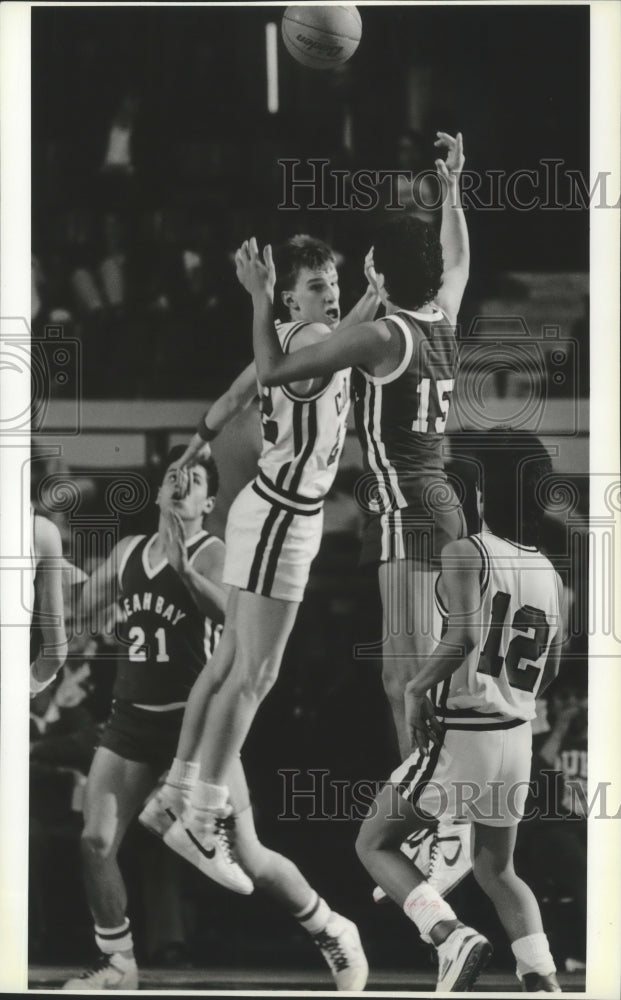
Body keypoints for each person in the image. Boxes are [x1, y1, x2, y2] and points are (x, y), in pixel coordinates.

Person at [237, 132, 472, 895]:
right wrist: (453, 191)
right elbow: (457, 259)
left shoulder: (378, 336)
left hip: (405, 511)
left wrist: (255, 297)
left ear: (376, 273)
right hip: (444, 506)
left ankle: (435, 830)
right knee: (421, 678)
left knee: (403, 681)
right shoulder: (442, 314)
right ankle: (441, 819)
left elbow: (272, 368)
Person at [140, 235, 376, 990]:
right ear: (289, 299)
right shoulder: (304, 341)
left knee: (227, 663)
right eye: (315, 284)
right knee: (256, 674)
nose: (329, 293)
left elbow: (239, 394)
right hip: (284, 516)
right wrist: (258, 297)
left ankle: (180, 788)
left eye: (332, 282)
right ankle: (203, 811)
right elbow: (281, 369)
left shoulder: (302, 334)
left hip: (262, 511)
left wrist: (193, 448)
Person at [355, 429, 564, 993]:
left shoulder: (463, 552)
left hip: (465, 731)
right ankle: (542, 979)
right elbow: (555, 664)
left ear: (477, 492)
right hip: (517, 738)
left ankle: (450, 935)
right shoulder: (548, 568)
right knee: (500, 871)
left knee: (373, 843)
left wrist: (417, 687)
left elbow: (465, 636)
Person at [62, 446, 227, 989]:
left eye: (195, 479)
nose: (182, 485)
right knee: (95, 840)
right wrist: (48, 566)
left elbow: (228, 613)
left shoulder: (212, 551)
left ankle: (325, 925)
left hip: (193, 728)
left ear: (209, 501)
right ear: (158, 493)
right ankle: (119, 964)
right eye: (174, 477)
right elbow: (82, 609)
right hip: (131, 721)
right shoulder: (129, 549)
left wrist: (182, 569)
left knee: (249, 855)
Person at [30, 510, 69, 697]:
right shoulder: (42, 531)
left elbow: (56, 655)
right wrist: (29, 686)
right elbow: (56, 654)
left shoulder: (40, 532)